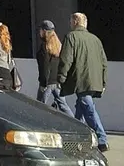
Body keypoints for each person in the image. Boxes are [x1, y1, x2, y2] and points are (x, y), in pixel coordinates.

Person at [57, 12, 109, 153]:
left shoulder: (71, 37)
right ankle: (76, 135)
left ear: (75, 22)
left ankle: (102, 139)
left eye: (71, 21)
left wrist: (61, 78)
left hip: (81, 80)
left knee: (88, 107)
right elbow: (104, 62)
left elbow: (66, 59)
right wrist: (103, 82)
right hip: (95, 80)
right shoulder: (96, 40)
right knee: (81, 107)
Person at [35, 20, 63, 107]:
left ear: (44, 31)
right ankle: (72, 120)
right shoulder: (58, 46)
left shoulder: (45, 46)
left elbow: (45, 66)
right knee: (63, 106)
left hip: (47, 82)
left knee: (39, 106)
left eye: (40, 30)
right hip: (57, 82)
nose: (39, 32)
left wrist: (43, 84)